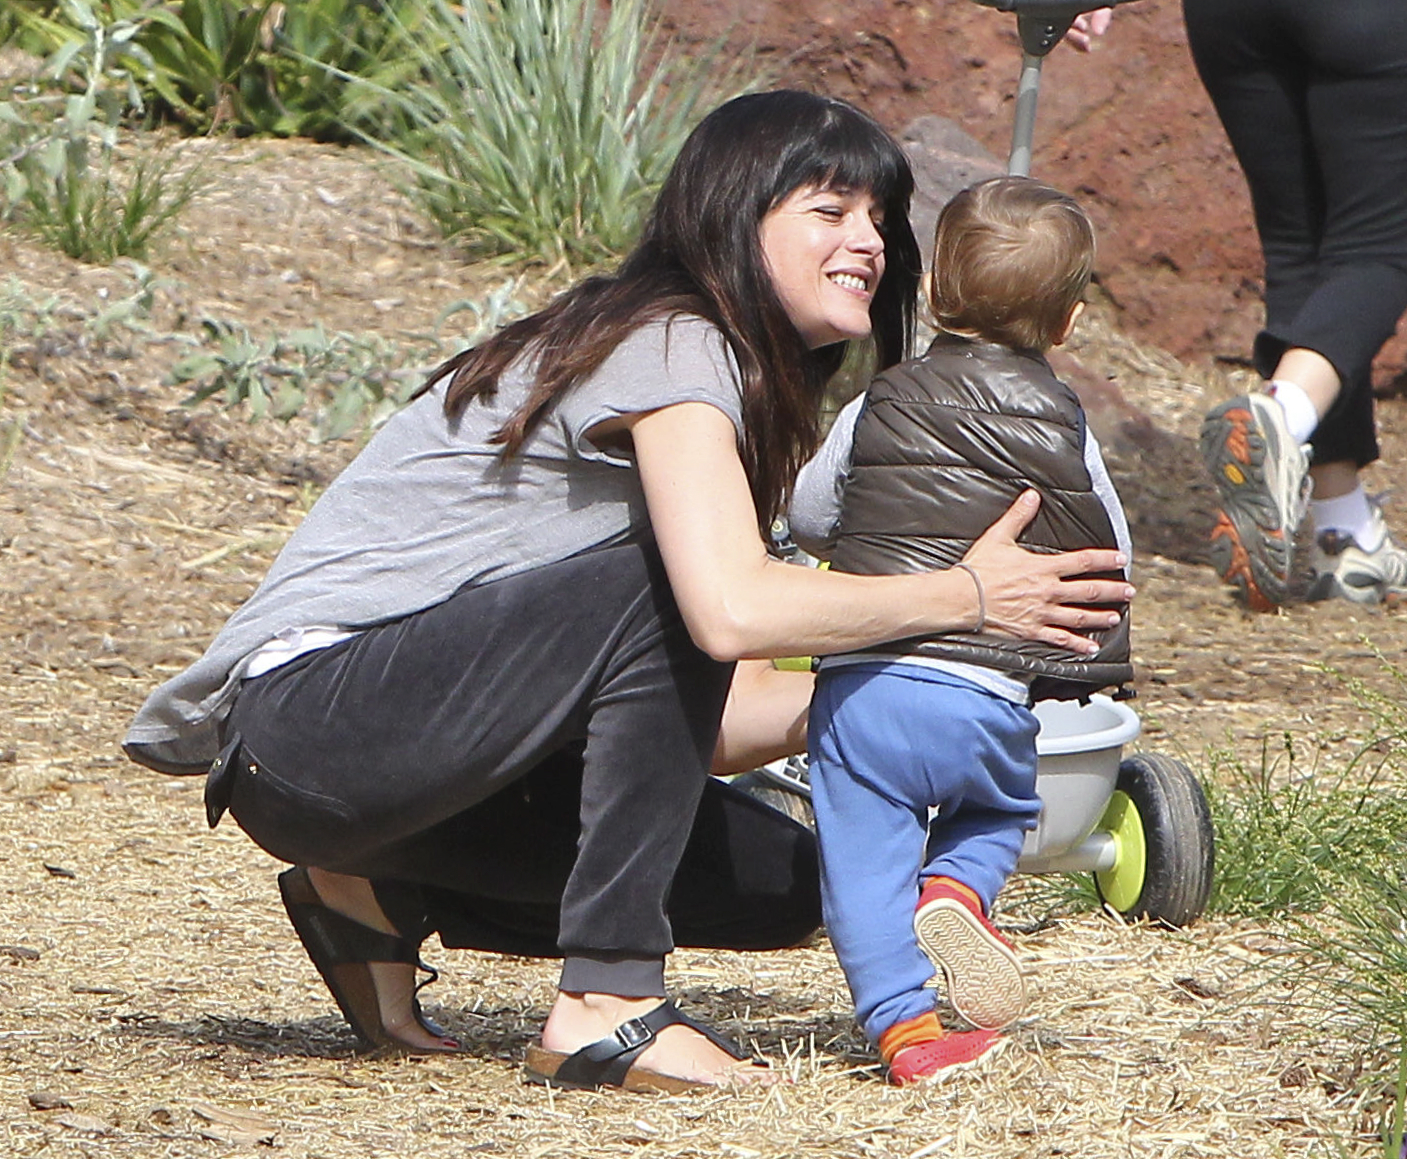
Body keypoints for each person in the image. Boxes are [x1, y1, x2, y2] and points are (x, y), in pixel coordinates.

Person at [121, 91, 1135, 1093]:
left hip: (414, 775)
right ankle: (605, 1004)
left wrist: (943, 686)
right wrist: (961, 599)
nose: (868, 239)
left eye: (879, 215)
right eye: (829, 210)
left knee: (789, 885)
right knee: (670, 582)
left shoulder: (724, 384)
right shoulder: (672, 341)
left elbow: (704, 710)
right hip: (318, 724)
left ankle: (378, 884)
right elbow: (727, 611)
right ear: (737, 218)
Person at [789, 176, 1133, 1085]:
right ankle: (955, 890)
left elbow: (811, 511)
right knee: (997, 810)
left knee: (862, 863)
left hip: (862, 685)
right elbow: (1109, 549)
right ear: (1066, 323)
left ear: (933, 291)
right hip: (982, 691)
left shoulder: (882, 400)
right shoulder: (1064, 422)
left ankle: (906, 1032)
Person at [1185, 0, 1407, 609]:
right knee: (1383, 247)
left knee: (1299, 247)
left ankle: (1347, 535)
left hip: (1225, 18)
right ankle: (1284, 418)